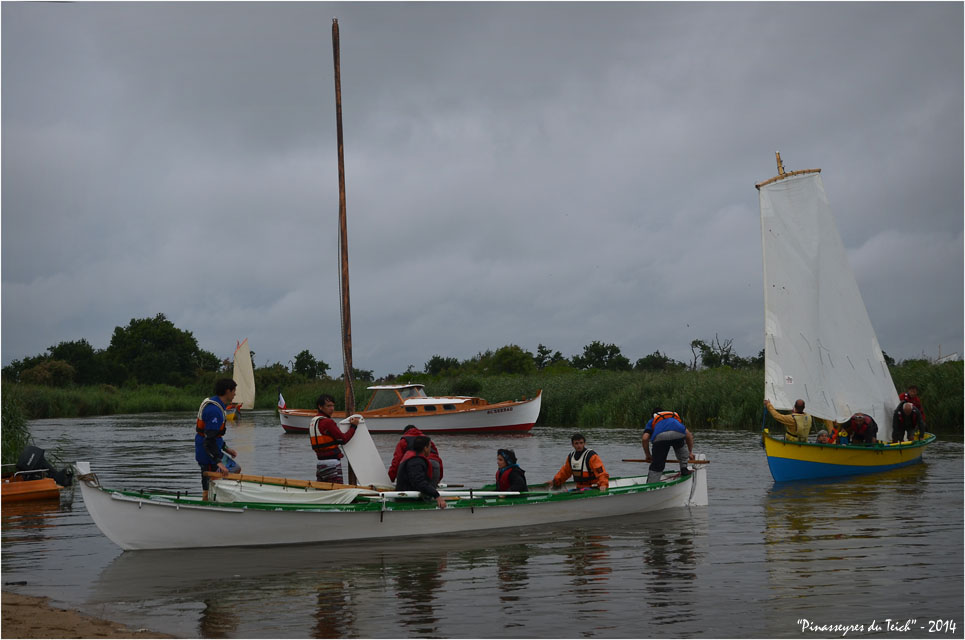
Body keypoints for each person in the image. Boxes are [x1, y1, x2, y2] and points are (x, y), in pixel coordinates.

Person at [195, 378, 240, 501]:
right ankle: (208, 501)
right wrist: (218, 462)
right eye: (234, 390)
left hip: (214, 449)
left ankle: (220, 497)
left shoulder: (218, 405)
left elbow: (215, 435)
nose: (235, 393)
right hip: (207, 453)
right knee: (209, 482)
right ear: (227, 391)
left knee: (235, 469)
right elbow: (208, 440)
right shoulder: (214, 410)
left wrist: (226, 448)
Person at [309, 394, 360, 483]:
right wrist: (353, 426)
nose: (332, 408)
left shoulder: (313, 422)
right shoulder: (327, 422)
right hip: (332, 465)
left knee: (323, 491)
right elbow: (343, 439)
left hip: (320, 465)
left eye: (333, 406)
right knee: (337, 491)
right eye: (328, 406)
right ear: (320, 407)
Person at [641, 410, 694, 484]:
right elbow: (689, 436)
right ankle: (684, 468)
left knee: (657, 464)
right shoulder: (674, 419)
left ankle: (652, 483)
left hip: (660, 437)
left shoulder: (652, 420)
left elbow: (645, 438)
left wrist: (648, 455)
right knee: (681, 444)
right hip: (678, 434)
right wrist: (690, 452)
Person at [395, 435, 447, 509]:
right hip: (408, 500)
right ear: (425, 448)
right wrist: (437, 495)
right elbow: (419, 482)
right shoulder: (416, 462)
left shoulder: (412, 457)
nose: (430, 449)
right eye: (429, 446)